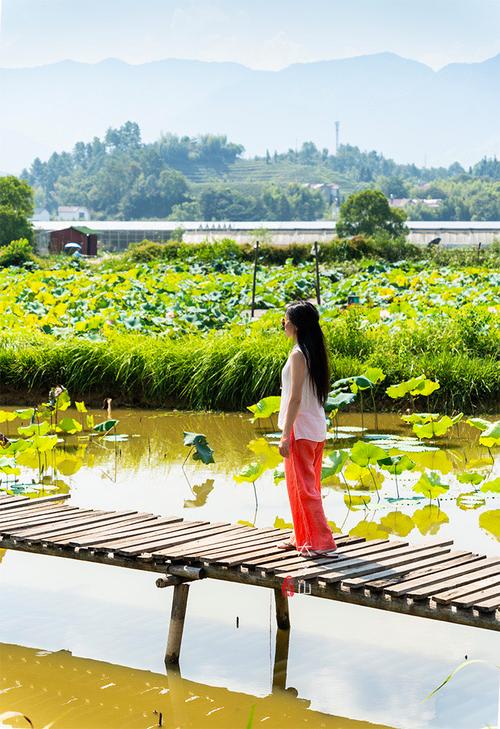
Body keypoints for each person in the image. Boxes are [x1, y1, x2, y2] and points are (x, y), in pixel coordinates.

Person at [277, 300, 338, 558]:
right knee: (304, 485)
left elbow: (295, 398)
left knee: (303, 487)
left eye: (285, 320)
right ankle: (301, 535)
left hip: (300, 429)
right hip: (315, 427)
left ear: (297, 325)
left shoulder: (298, 354)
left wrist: (284, 435)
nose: (283, 324)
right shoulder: (313, 351)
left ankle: (322, 543)